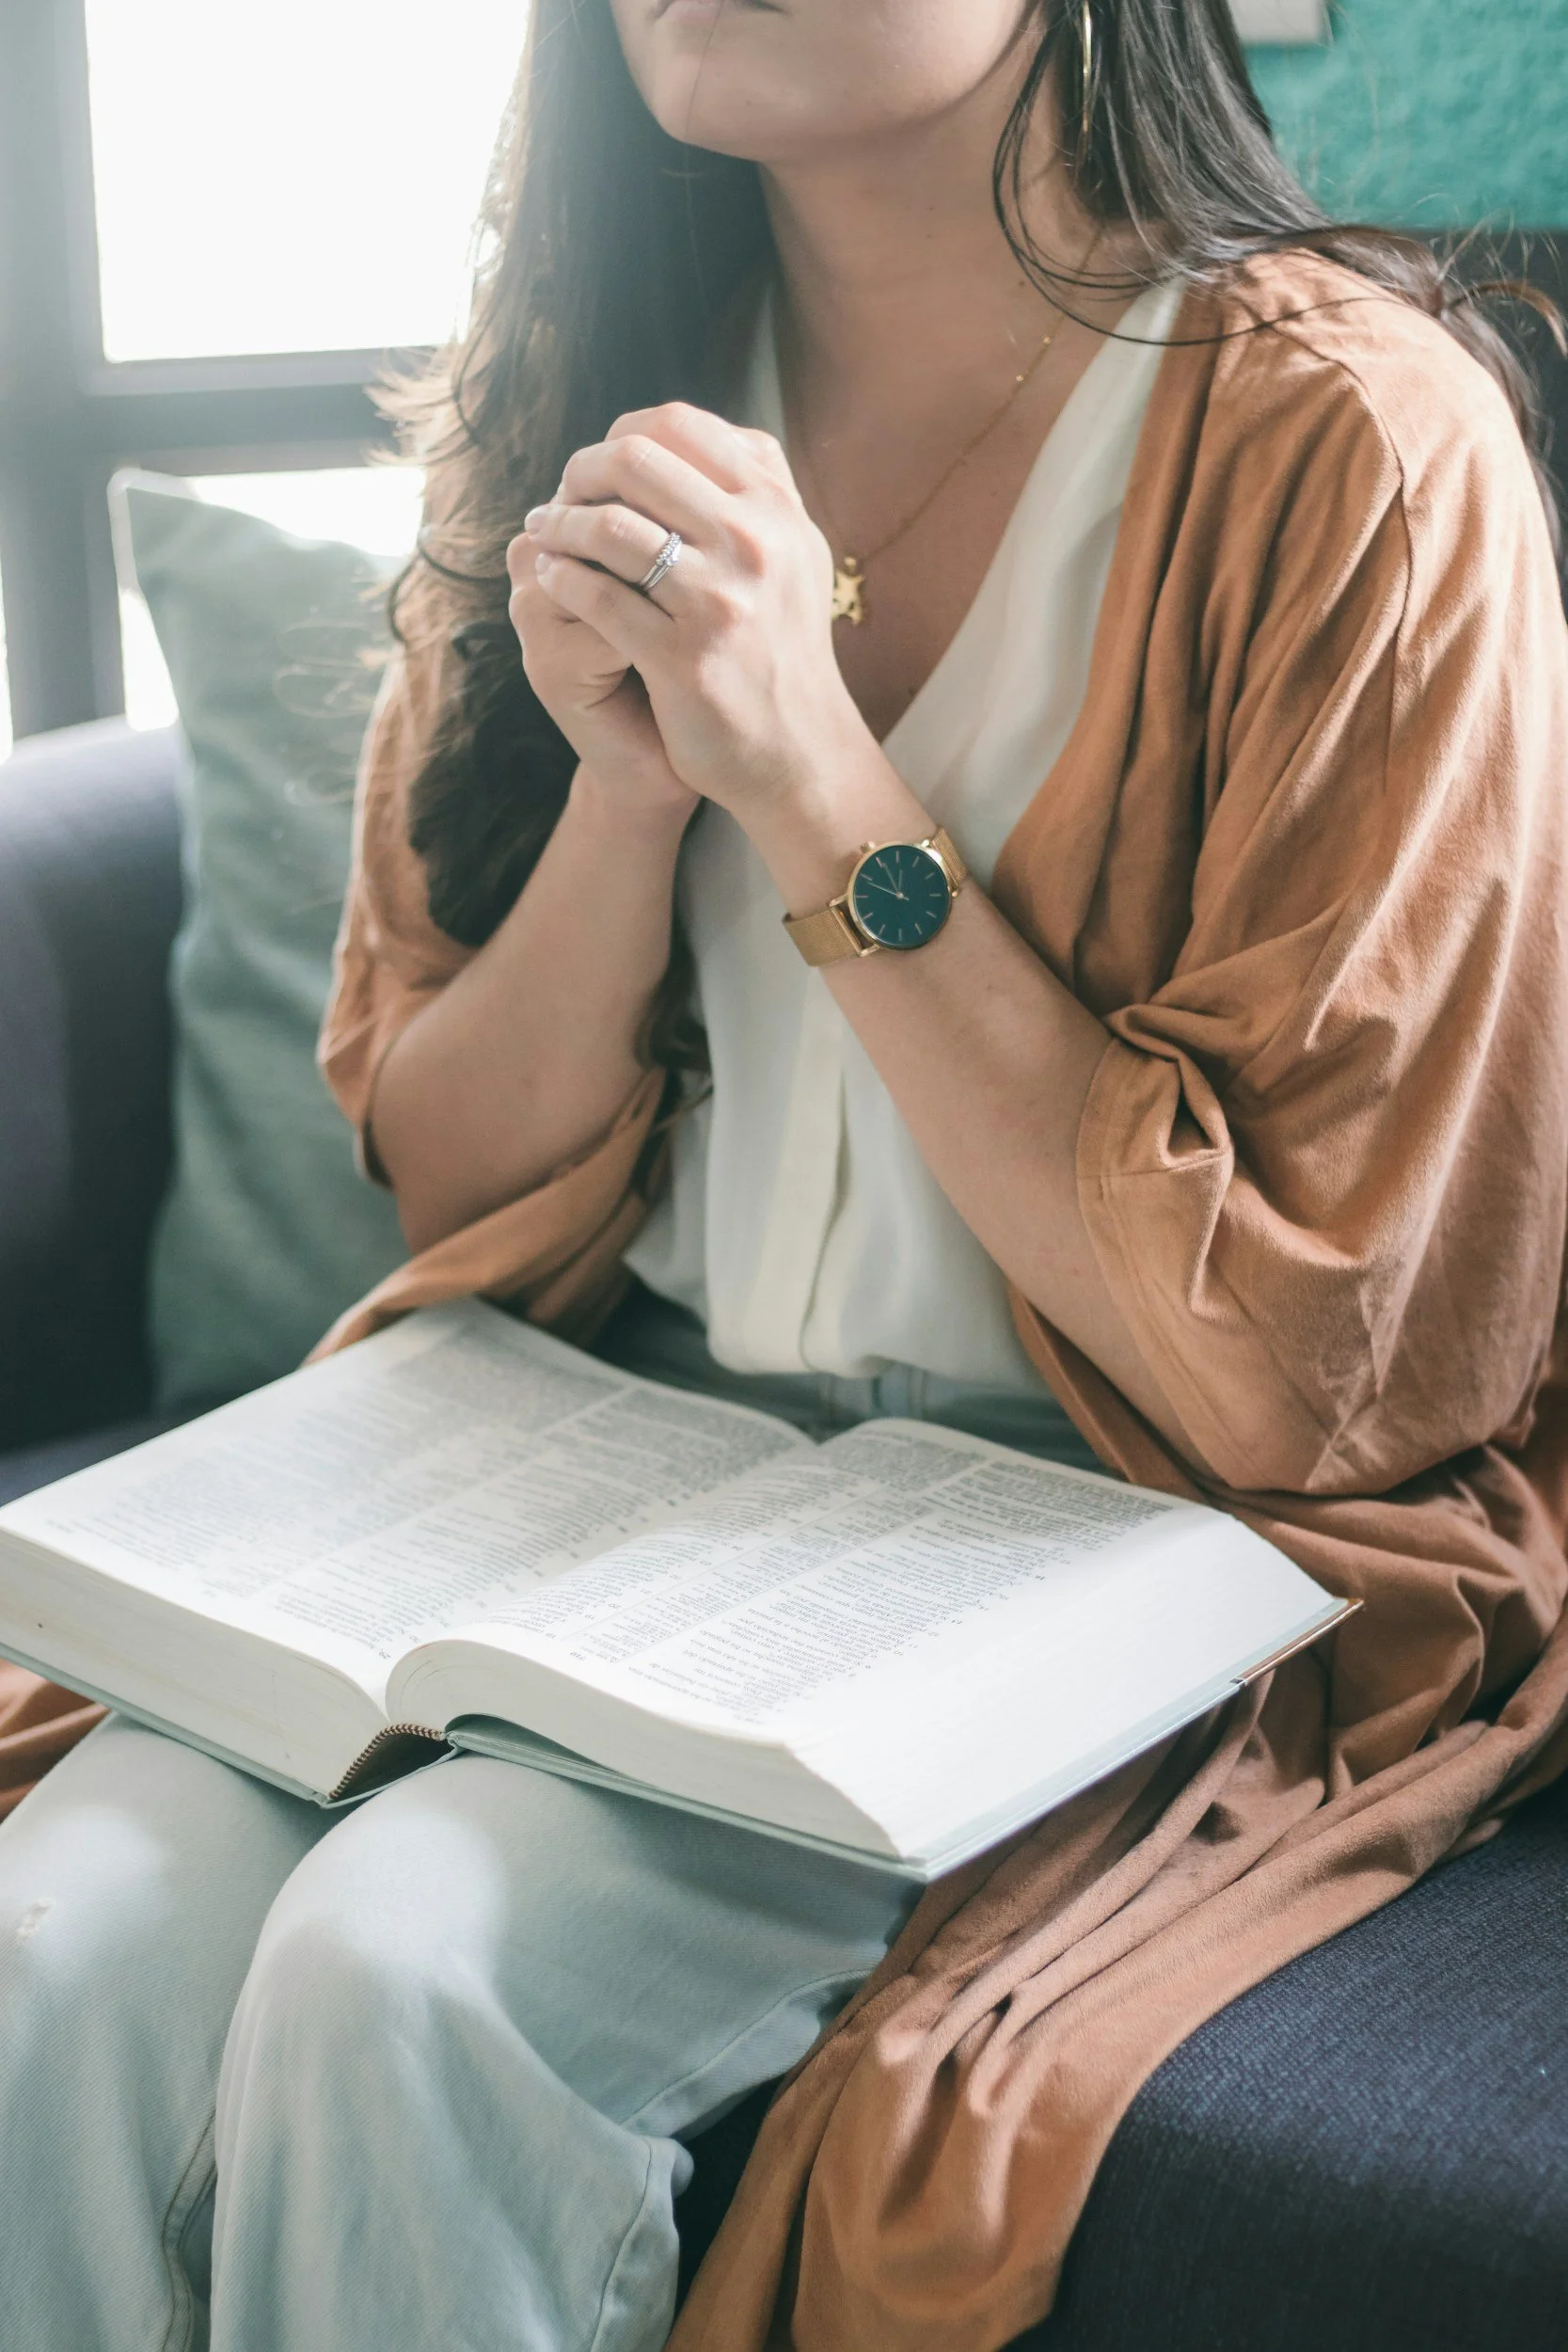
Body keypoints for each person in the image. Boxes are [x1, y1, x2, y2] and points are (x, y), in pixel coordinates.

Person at [2, 4, 1567, 2349]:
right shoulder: (564, 408)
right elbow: (448, 1179)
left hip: (1116, 1517)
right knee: (52, 1944)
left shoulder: (1351, 445)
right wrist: (630, 800)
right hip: (598, 1457)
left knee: (400, 1970)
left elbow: (1323, 1358)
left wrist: (816, 780)